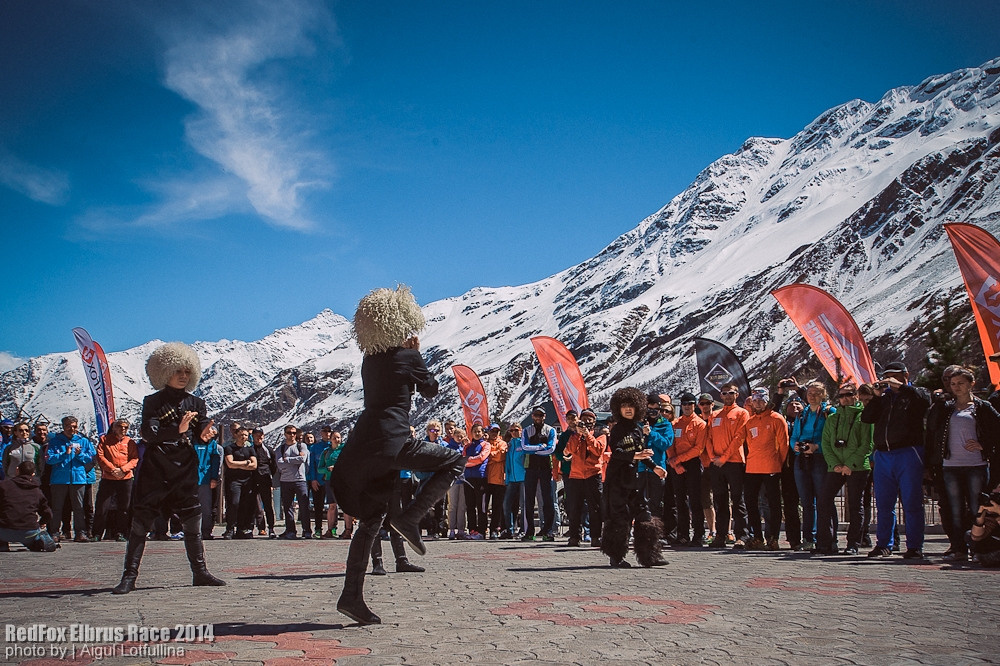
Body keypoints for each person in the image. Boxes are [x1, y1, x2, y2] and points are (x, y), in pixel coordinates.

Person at [331, 286, 465, 625]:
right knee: (453, 460)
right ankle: (410, 517)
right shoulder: (408, 356)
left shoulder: (369, 360)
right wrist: (418, 355)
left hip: (364, 444)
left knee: (372, 521)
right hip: (393, 440)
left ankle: (352, 597)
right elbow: (431, 389)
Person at [112, 342, 225, 594]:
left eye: (187, 371)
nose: (183, 376)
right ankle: (129, 577)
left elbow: (202, 432)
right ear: (164, 372)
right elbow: (148, 434)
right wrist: (178, 430)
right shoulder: (152, 402)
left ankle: (200, 572)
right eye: (178, 371)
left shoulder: (196, 402)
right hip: (156, 469)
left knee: (193, 523)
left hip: (184, 469)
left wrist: (207, 434)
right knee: (140, 524)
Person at [926, 367, 1000, 561]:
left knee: (977, 508)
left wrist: (983, 445)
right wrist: (938, 403)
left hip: (976, 465)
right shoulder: (947, 407)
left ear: (971, 384)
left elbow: (997, 429)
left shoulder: (982, 406)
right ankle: (958, 547)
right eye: (953, 384)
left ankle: (978, 548)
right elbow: (932, 427)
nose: (956, 387)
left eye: (960, 383)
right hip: (951, 465)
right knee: (955, 508)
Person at [861, 361, 930, 559]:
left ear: (906, 375)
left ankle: (915, 545)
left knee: (911, 502)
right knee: (884, 503)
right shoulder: (884, 398)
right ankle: (884, 544)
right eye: (888, 376)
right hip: (883, 454)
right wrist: (876, 397)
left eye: (896, 376)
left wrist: (903, 388)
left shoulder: (915, 394)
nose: (891, 380)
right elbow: (867, 418)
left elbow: (925, 401)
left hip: (908, 452)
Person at [602, 387, 667, 568]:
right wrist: (635, 456)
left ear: (638, 407)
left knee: (645, 517)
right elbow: (617, 452)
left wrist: (655, 468)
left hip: (635, 481)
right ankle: (616, 557)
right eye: (624, 406)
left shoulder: (638, 430)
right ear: (618, 409)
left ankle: (650, 556)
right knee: (620, 520)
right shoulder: (617, 430)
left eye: (631, 405)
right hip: (617, 482)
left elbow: (643, 454)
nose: (628, 409)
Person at [816, 383, 873, 556]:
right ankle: (827, 542)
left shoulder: (864, 416)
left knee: (856, 505)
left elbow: (867, 444)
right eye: (841, 396)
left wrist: (850, 464)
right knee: (824, 500)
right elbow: (826, 443)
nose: (845, 398)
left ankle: (853, 543)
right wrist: (835, 465)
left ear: (856, 396)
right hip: (836, 466)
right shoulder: (833, 418)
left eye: (848, 394)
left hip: (857, 467)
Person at [790, 381, 836, 551]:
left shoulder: (829, 412)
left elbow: (833, 436)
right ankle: (809, 538)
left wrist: (817, 447)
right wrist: (794, 446)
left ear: (824, 394)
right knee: (807, 502)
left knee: (825, 500)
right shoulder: (802, 414)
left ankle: (830, 539)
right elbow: (794, 435)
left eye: (817, 393)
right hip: (801, 459)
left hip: (821, 459)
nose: (812, 396)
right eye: (810, 393)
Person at [742, 388, 789, 551]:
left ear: (767, 401)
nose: (758, 403)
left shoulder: (777, 418)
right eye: (755, 401)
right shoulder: (750, 422)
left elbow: (784, 445)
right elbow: (748, 444)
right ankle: (757, 537)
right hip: (752, 467)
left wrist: (778, 463)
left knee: (773, 503)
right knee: (750, 502)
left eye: (761, 400)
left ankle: (773, 537)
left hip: (771, 466)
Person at [706, 383, 750, 549]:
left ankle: (741, 536)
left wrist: (724, 457)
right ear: (720, 395)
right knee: (720, 500)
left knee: (738, 500)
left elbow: (739, 438)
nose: (727, 395)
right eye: (724, 393)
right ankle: (721, 535)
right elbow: (708, 438)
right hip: (716, 463)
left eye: (731, 392)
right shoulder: (715, 415)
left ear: (737, 394)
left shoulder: (742, 413)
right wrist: (712, 457)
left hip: (734, 462)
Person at [46, 416, 96, 543]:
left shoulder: (84, 441)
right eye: (69, 426)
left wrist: (80, 454)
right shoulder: (55, 441)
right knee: (57, 507)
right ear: (63, 426)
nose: (72, 429)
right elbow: (49, 459)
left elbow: (90, 459)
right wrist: (64, 454)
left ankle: (80, 532)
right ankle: (54, 532)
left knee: (79, 507)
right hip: (59, 479)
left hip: (78, 478)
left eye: (74, 426)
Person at [669, 393, 706, 547]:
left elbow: (699, 448)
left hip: (693, 464)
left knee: (695, 500)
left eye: (690, 404)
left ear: (694, 405)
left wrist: (679, 460)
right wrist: (675, 463)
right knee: (680, 501)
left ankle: (698, 534)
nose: (687, 406)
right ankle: (683, 534)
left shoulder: (700, 424)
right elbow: (670, 444)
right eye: (684, 404)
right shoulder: (675, 423)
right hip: (677, 465)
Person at [564, 409, 605, 548]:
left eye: (590, 419)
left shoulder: (600, 434)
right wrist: (578, 434)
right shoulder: (574, 435)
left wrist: (587, 435)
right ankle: (574, 537)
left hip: (593, 474)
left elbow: (598, 450)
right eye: (584, 419)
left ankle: (595, 537)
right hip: (576, 475)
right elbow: (570, 449)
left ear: (594, 422)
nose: (587, 422)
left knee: (595, 508)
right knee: (574, 508)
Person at [93, 419, 139, 542]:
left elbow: (134, 459)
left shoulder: (130, 442)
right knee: (102, 506)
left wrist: (123, 469)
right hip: (109, 477)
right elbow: (100, 456)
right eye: (120, 426)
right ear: (114, 428)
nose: (122, 429)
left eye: (125, 427)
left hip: (126, 478)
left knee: (124, 507)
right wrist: (112, 469)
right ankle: (97, 533)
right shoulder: (105, 440)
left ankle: (121, 533)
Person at [0, 461, 58, 552]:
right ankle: (39, 543)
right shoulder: (36, 491)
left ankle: (2, 545)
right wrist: (41, 523)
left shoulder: (3, 486)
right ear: (33, 474)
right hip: (29, 531)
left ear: (17, 470)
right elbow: (48, 513)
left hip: (4, 530)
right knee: (31, 538)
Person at [521, 407, 557, 542]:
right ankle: (529, 531)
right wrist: (540, 447)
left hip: (546, 468)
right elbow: (524, 448)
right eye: (536, 415)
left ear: (545, 416)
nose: (538, 418)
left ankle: (548, 531)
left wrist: (533, 449)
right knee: (529, 500)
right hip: (530, 468)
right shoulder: (526, 430)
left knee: (548, 500)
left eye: (541, 415)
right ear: (532, 416)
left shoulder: (551, 430)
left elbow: (551, 449)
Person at [642, 394, 673, 537]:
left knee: (656, 503)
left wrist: (652, 433)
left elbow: (666, 443)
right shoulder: (639, 423)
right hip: (641, 468)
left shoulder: (665, 424)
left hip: (657, 468)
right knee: (640, 502)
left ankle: (655, 533)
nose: (652, 413)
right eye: (650, 410)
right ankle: (641, 532)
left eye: (655, 410)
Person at [276, 424, 311, 539]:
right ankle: (290, 530)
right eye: (289, 433)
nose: (292, 435)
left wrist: (288, 460)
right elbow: (280, 463)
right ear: (285, 434)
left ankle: (306, 530)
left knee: (304, 506)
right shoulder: (280, 448)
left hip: (300, 480)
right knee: (288, 507)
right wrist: (294, 461)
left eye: (294, 433)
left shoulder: (302, 446)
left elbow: (302, 459)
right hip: (285, 481)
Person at [223, 426, 257, 539]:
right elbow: (230, 464)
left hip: (247, 481)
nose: (243, 437)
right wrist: (246, 463)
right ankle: (230, 528)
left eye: (246, 435)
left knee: (244, 504)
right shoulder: (229, 448)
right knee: (234, 503)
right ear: (236, 435)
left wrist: (238, 464)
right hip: (234, 481)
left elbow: (254, 465)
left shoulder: (250, 449)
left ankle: (241, 528)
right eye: (241, 435)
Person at [192, 422, 222, 540]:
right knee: (191, 507)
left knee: (206, 508)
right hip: (192, 480)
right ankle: (192, 531)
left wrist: (214, 478)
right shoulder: (192, 442)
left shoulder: (212, 445)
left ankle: (206, 531)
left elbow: (215, 462)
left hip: (206, 480)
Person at [462, 423, 490, 539]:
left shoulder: (486, 445)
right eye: (475, 431)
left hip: (481, 478)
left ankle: (482, 531)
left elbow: (481, 458)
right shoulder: (467, 447)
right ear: (471, 433)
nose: (477, 434)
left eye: (479, 431)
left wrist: (469, 461)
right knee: (470, 505)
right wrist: (469, 461)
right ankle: (472, 529)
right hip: (468, 478)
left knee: (481, 506)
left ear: (483, 433)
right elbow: (462, 459)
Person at [317, 429, 345, 538]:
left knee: (345, 506)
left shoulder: (344, 450)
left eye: (338, 437)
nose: (336, 440)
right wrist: (327, 470)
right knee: (332, 505)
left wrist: (337, 468)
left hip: (342, 481)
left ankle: (348, 530)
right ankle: (330, 529)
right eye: (334, 438)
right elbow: (320, 469)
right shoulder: (326, 452)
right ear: (330, 439)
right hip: (329, 480)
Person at [502, 423, 526, 539]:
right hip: (511, 479)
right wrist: (507, 478)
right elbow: (507, 463)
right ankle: (510, 530)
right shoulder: (510, 445)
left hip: (523, 478)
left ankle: (524, 529)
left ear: (521, 430)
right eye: (511, 431)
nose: (514, 432)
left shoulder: (524, 443)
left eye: (516, 430)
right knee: (507, 504)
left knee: (524, 505)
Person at [484, 424, 507, 539]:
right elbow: (482, 456)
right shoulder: (484, 443)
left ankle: (494, 529)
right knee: (483, 507)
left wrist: (490, 455)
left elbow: (500, 456)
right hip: (485, 479)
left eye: (496, 431)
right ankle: (482, 529)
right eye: (492, 431)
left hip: (499, 480)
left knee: (497, 507)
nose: (494, 433)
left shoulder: (502, 443)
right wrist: (493, 454)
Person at [445, 426, 468, 539]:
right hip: (453, 480)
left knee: (462, 506)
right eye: (457, 435)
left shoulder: (465, 448)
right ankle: (452, 529)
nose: (459, 438)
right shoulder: (449, 448)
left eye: (461, 436)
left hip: (463, 480)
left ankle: (461, 529)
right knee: (453, 505)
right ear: (453, 436)